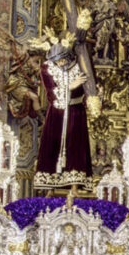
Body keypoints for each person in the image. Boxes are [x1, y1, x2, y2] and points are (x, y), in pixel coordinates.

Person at [36, 40, 92, 180]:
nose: (60, 64)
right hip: (56, 113)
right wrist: (70, 86)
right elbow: (51, 94)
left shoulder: (80, 64)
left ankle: (74, 183)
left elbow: (89, 86)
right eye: (57, 61)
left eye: (62, 60)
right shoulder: (47, 68)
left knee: (76, 147)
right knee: (52, 145)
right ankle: (50, 183)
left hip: (76, 111)